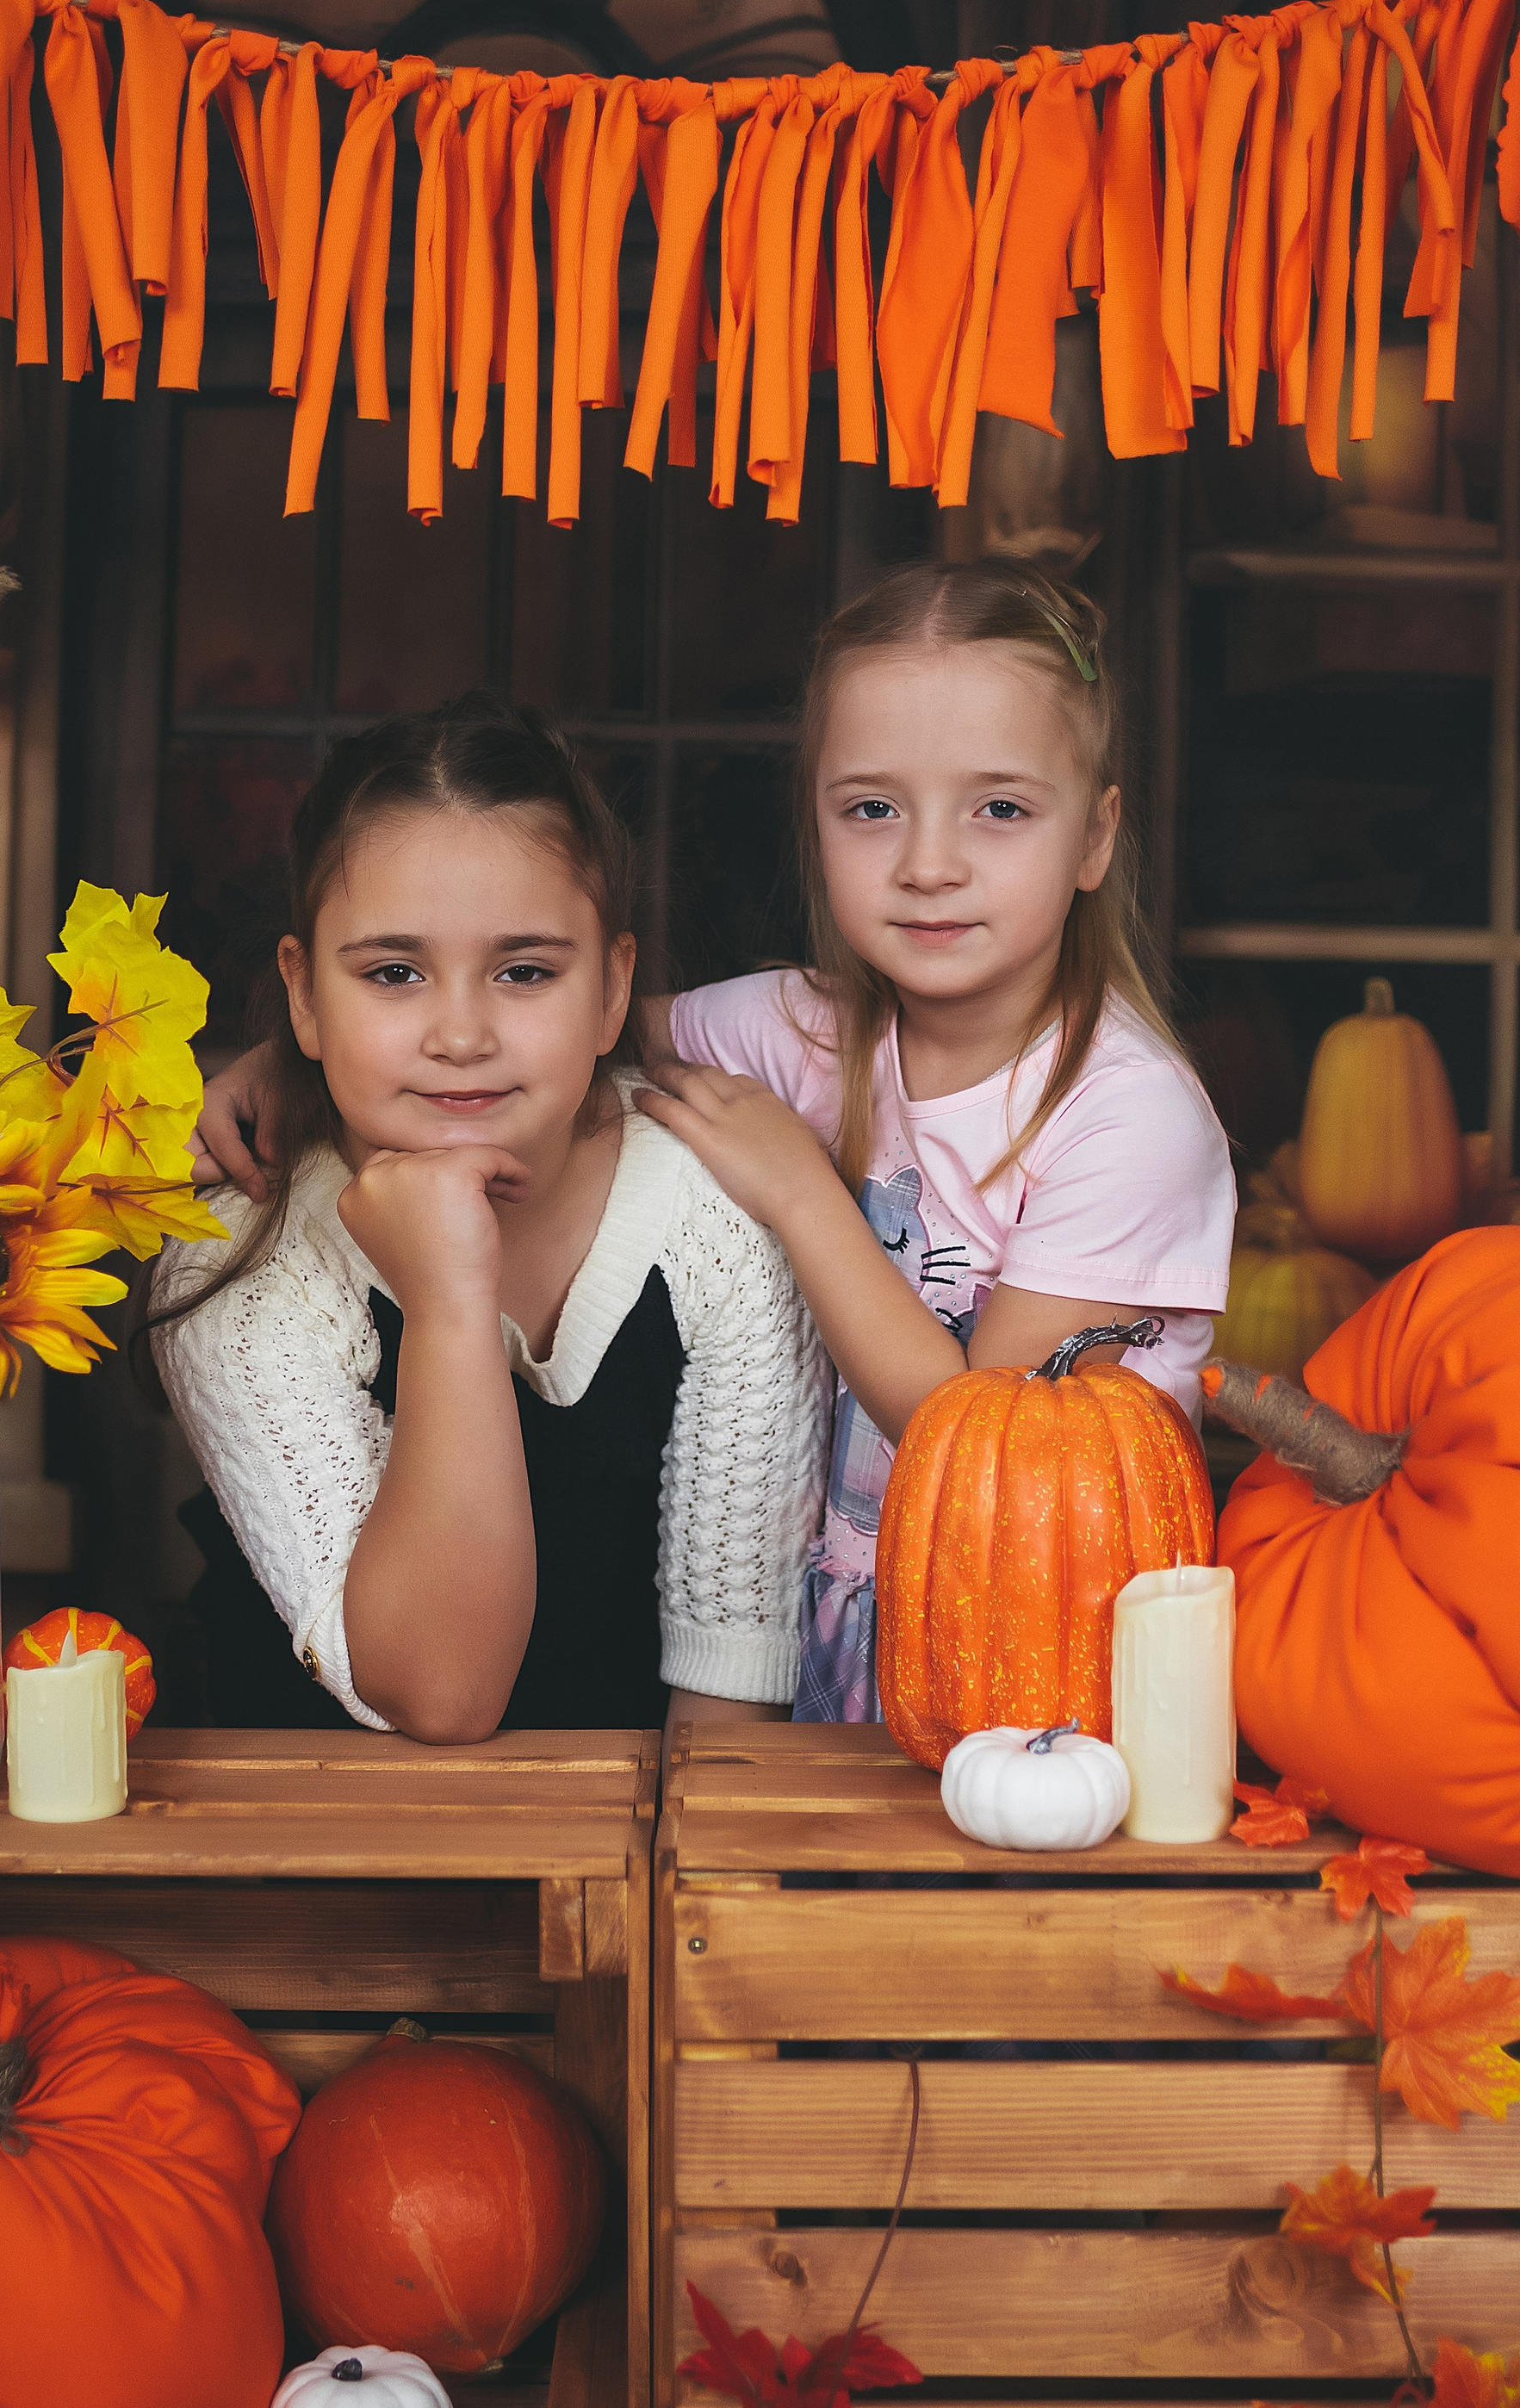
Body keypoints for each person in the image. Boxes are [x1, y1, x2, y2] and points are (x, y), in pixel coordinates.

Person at [195, 563, 1233, 1728]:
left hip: (1044, 1665)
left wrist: (801, 1197)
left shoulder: (1127, 1116)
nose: (928, 862)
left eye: (999, 809)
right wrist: (292, 1058)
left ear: (1096, 836)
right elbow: (554, 1023)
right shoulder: (800, 1030)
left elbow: (1003, 1460)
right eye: (872, 808)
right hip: (862, 1639)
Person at [153, 697, 825, 1739]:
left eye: (524, 972)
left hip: (640, 1820)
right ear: (304, 998)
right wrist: (449, 1301)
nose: (461, 1034)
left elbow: (730, 1695)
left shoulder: (718, 1212)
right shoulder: (237, 1260)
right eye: (393, 973)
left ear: (613, 989)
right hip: (308, 1820)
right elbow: (439, 1691)